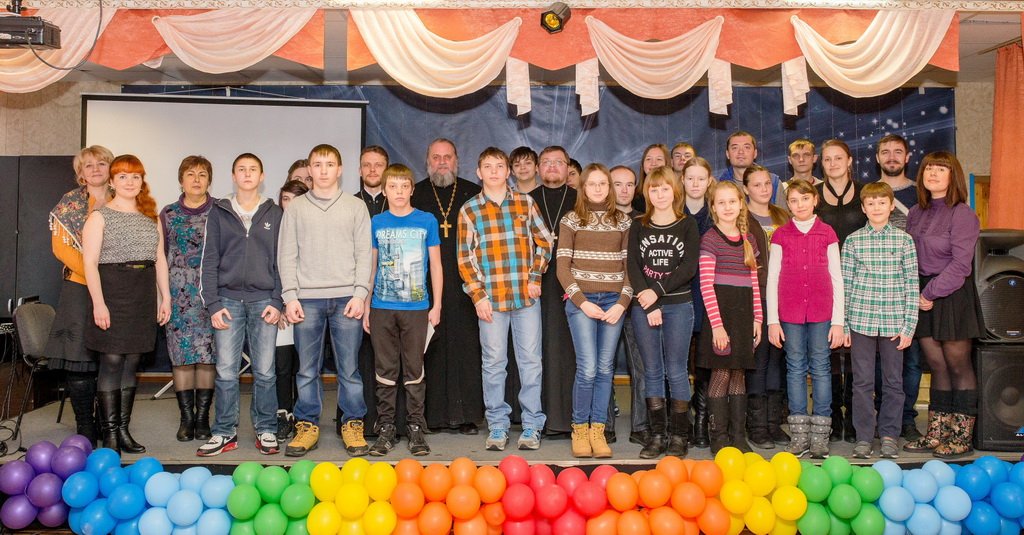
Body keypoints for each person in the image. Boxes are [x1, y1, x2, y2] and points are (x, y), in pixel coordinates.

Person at [279, 144, 372, 457]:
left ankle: (353, 423)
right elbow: (286, 254)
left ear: (339, 169)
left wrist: (360, 294)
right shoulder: (296, 208)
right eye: (317, 165)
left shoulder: (355, 207)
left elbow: (364, 254)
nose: (323, 170)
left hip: (347, 299)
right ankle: (307, 425)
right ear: (310, 169)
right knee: (307, 369)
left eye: (329, 164)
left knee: (349, 369)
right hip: (307, 300)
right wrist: (290, 296)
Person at [458, 147, 554, 451]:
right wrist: (478, 296)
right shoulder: (469, 210)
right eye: (488, 166)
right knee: (494, 364)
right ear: (479, 172)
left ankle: (532, 425)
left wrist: (535, 276)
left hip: (526, 299)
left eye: (499, 166)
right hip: (491, 301)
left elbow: (545, 242)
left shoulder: (525, 203)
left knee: (530, 363)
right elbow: (464, 258)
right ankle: (497, 425)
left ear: (508, 171)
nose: (494, 171)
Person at [82, 154, 171, 454]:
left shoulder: (151, 217)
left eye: (135, 176)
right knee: (111, 361)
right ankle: (109, 435)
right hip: (111, 293)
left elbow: (160, 260)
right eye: (122, 176)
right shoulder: (99, 216)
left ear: (142, 181)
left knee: (132, 362)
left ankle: (123, 430)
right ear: (112, 181)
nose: (129, 182)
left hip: (142, 295)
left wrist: (165, 297)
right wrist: (99, 304)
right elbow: (89, 263)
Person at [197, 153, 283, 457]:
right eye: (241, 170)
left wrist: (278, 300)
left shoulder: (275, 213)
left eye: (253, 169)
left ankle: (266, 428)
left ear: (262, 176)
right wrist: (212, 303)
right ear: (233, 176)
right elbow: (208, 260)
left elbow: (283, 261)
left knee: (265, 371)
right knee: (225, 371)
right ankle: (224, 432)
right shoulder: (218, 212)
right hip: (227, 301)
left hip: (264, 302)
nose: (247, 174)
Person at [903, 151, 983, 459]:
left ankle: (961, 436)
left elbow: (961, 265)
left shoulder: (963, 214)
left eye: (941, 169)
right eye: (928, 169)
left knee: (958, 365)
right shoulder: (915, 213)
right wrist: (916, 293)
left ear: (953, 176)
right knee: (936, 365)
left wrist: (930, 293)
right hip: (922, 294)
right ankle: (937, 433)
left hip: (951, 295)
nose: (933, 173)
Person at [364, 164, 442, 456]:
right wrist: (366, 306)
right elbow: (371, 266)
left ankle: (415, 427)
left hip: (417, 308)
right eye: (393, 187)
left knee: (414, 370)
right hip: (382, 307)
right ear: (384, 190)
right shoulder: (376, 222)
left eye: (404, 186)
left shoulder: (426, 221)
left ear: (412, 189)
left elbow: (436, 266)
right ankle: (385, 427)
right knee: (385, 370)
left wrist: (437, 304)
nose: (399, 192)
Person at [557, 164, 632, 459]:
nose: (598, 189)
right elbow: (562, 267)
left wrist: (622, 303)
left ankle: (598, 430)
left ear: (609, 188)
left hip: (614, 302)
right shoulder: (571, 220)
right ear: (583, 188)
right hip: (582, 302)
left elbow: (630, 267)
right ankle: (580, 429)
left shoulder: (623, 222)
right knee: (587, 368)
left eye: (603, 183)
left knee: (604, 368)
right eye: (592, 184)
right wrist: (581, 301)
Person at [410, 138, 485, 435]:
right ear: (427, 161)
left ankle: (467, 416)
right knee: (430, 349)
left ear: (457, 161)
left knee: (467, 349)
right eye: (436, 157)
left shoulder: (472, 194)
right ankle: (431, 415)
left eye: (447, 157)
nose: (442, 162)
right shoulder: (415, 194)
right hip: (426, 285)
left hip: (467, 284)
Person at [767, 179, 845, 459]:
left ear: (815, 200)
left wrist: (838, 321)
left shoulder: (827, 233)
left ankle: (820, 435)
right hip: (789, 314)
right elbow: (772, 278)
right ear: (787, 205)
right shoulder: (780, 235)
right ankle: (799, 434)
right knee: (795, 368)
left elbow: (837, 278)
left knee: (821, 368)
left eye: (804, 199)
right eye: (793, 200)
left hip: (822, 312)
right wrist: (772, 320)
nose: (799, 205)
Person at [841, 182, 919, 459]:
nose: (876, 208)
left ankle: (888, 435)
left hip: (894, 323)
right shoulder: (853, 241)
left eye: (881, 203)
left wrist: (909, 326)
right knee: (861, 382)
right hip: (860, 321)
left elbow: (912, 285)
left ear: (891, 205)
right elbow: (846, 286)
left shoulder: (904, 241)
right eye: (871, 203)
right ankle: (864, 437)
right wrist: (844, 324)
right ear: (863, 208)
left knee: (893, 382)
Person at [627, 166, 700, 459]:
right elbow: (632, 266)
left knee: (676, 369)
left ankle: (679, 436)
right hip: (644, 307)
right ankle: (657, 435)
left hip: (678, 305)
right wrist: (650, 303)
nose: (659, 194)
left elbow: (688, 267)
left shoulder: (687, 224)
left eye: (665, 188)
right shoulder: (638, 225)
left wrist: (656, 292)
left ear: (675, 191)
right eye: (653, 189)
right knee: (652, 370)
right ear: (647, 193)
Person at [45, 145, 114, 444]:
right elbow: (61, 248)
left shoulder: (124, 200)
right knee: (80, 361)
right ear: (81, 173)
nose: (96, 169)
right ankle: (85, 425)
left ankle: (108, 423)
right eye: (89, 165)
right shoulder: (69, 203)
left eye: (102, 163)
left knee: (111, 361)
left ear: (111, 168)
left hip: (118, 291)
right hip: (79, 288)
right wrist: (96, 277)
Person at [697, 181, 763, 455]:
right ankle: (719, 438)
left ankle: (738, 437)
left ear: (740, 204)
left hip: (744, 315)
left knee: (739, 374)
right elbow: (706, 285)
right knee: (721, 373)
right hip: (720, 317)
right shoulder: (710, 239)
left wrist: (758, 318)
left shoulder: (749, 240)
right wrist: (717, 326)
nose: (727, 207)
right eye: (721, 202)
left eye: (732, 202)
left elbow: (754, 283)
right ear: (713, 207)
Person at [160, 155, 216, 443]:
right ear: (181, 180)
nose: (196, 179)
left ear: (209, 180)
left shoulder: (220, 211)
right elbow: (160, 258)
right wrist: (163, 297)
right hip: (177, 296)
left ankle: (203, 418)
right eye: (191, 174)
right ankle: (187, 418)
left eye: (202, 174)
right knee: (181, 357)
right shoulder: (168, 213)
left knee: (207, 357)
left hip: (211, 295)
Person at [872, 134, 923, 441]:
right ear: (877, 157)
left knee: (912, 359)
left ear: (907, 157)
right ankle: (883, 416)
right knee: (880, 361)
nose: (891, 156)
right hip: (877, 293)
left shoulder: (920, 194)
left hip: (909, 289)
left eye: (897, 152)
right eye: (885, 152)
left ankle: (906, 418)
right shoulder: (869, 192)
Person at [816, 139, 866, 444]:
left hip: (860, 282)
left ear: (849, 161)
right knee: (830, 351)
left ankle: (855, 417)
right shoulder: (814, 196)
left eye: (838, 158)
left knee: (858, 352)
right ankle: (833, 416)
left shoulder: (864, 193)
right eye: (827, 159)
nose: (833, 163)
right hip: (824, 282)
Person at [529, 146, 579, 438]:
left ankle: (570, 417)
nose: (551, 167)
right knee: (535, 352)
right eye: (546, 162)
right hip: (535, 285)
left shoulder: (580, 201)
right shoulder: (526, 201)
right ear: (538, 168)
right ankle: (536, 417)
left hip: (573, 286)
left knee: (569, 351)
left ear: (568, 168)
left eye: (558, 162)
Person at [742, 165, 791, 448]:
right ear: (746, 188)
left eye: (767, 184)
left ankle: (774, 424)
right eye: (757, 184)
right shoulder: (742, 219)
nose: (763, 189)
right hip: (755, 296)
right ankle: (757, 426)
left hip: (784, 297)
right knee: (758, 360)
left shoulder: (783, 216)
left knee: (777, 360)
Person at [353, 145, 391, 438]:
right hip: (356, 290)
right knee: (359, 358)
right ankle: (359, 420)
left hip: (391, 292)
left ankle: (391, 420)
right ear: (359, 170)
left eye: (378, 165)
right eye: (367, 165)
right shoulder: (349, 204)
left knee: (390, 359)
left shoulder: (399, 203)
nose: (373, 170)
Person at [610, 165, 649, 445]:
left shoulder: (645, 221)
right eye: (617, 184)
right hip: (607, 302)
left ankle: (641, 426)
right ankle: (604, 425)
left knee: (641, 366)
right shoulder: (599, 220)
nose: (623, 190)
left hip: (638, 303)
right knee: (604, 367)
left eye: (629, 184)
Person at [680, 157, 716, 449]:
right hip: (678, 293)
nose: (695, 183)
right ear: (682, 180)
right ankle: (681, 421)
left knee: (705, 359)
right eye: (690, 178)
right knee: (678, 360)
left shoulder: (716, 215)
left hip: (708, 295)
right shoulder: (672, 212)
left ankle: (702, 418)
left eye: (700, 178)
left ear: (709, 181)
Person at [274, 179, 308, 442]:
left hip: (309, 307)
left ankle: (303, 416)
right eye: (286, 199)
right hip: (282, 310)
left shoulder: (313, 228)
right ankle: (283, 414)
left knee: (305, 367)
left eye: (295, 199)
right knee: (283, 366)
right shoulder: (273, 229)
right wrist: (281, 303)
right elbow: (271, 269)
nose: (290, 204)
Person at [719, 131, 783, 206]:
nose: (741, 152)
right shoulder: (719, 185)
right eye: (735, 148)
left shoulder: (773, 182)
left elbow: (783, 213)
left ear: (755, 153)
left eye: (747, 147)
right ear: (727, 154)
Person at [632, 144, 670, 213]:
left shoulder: (676, 191)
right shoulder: (634, 194)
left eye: (659, 159)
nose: (653, 163)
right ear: (643, 164)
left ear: (666, 163)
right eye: (648, 159)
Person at [357, 146, 389, 216]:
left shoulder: (398, 204)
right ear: (360, 171)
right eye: (366, 165)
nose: (372, 169)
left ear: (387, 171)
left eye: (378, 165)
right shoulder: (350, 203)